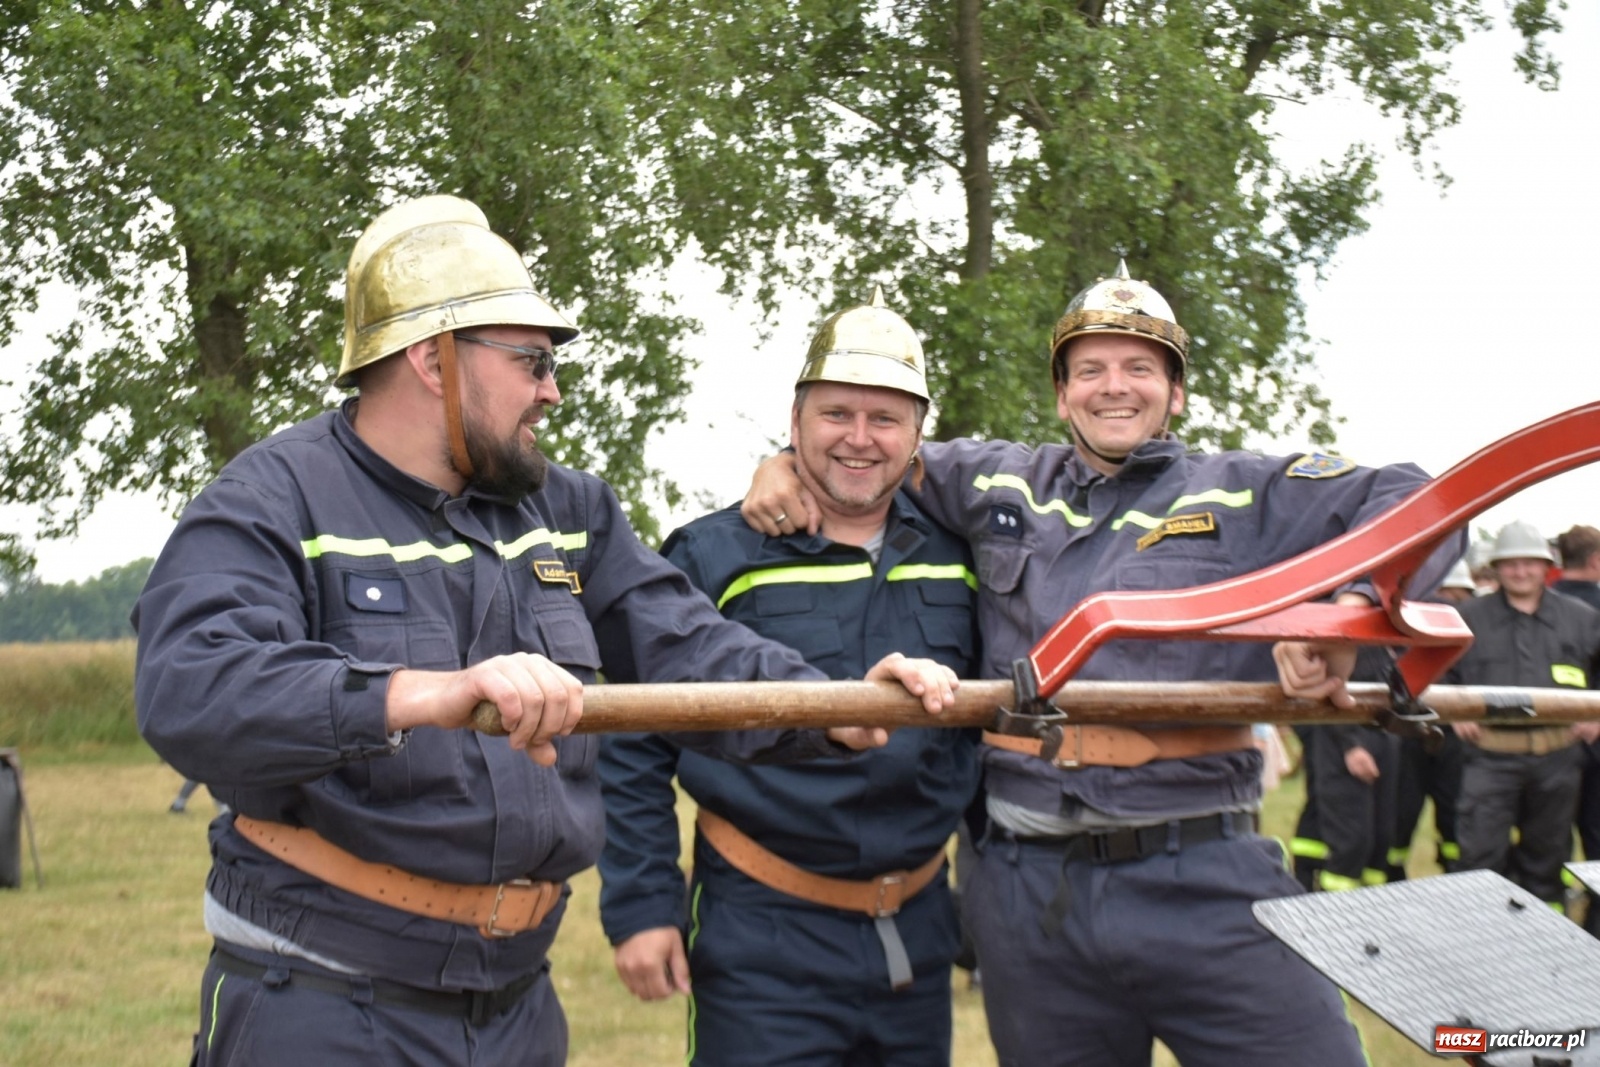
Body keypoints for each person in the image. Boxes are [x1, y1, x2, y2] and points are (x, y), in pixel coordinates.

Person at [133, 195, 957, 1067]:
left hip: (518, 1004)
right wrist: (427, 694)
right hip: (325, 1000)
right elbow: (192, 685)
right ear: (431, 358)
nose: (551, 390)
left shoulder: (566, 511)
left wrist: (835, 705)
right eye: (531, 361)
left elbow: (689, 647)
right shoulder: (273, 497)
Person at [742, 261, 1463, 1067]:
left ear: (1176, 391)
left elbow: (1422, 503)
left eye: (1139, 368)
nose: (1112, 387)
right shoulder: (993, 478)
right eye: (1090, 368)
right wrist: (781, 462)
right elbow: (866, 452)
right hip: (1027, 890)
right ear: (1061, 393)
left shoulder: (1242, 491)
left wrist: (1342, 620)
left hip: (1206, 872)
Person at [597, 290, 982, 1065]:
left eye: (886, 419)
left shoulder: (967, 553)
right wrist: (642, 904)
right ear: (796, 420)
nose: (860, 439)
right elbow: (632, 737)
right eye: (837, 413)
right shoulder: (712, 555)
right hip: (762, 932)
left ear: (918, 435)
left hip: (917, 929)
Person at [1448, 520, 1600, 913]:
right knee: (1478, 861)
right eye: (1510, 564)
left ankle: (1544, 950)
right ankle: (1479, 949)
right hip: (1490, 760)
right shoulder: (1467, 618)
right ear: (1497, 568)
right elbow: (1437, 672)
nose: (1520, 572)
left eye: (1529, 563)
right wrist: (1450, 711)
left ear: (1545, 566)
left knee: (1546, 861)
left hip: (1559, 761)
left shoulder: (1582, 617)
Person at [1384, 557, 1472, 882]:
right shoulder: (1461, 620)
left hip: (1413, 728)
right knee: (1445, 811)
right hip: (1439, 731)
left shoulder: (1393, 615)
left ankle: (1395, 872)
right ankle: (1453, 872)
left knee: (1404, 811)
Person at [1557, 525, 1600, 932]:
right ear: (1595, 561)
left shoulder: (1538, 605)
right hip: (1595, 746)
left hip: (1537, 747)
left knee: (1547, 841)